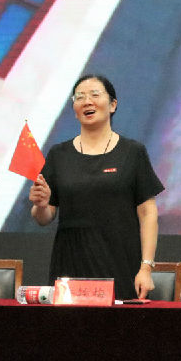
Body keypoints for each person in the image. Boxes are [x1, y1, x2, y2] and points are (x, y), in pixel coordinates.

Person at [30, 74, 164, 301]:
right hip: (70, 263)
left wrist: (146, 267)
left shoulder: (133, 152)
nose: (87, 102)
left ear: (113, 105)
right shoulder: (58, 154)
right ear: (74, 109)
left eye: (95, 95)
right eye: (80, 97)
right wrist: (41, 205)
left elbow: (148, 213)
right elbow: (44, 217)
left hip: (120, 261)